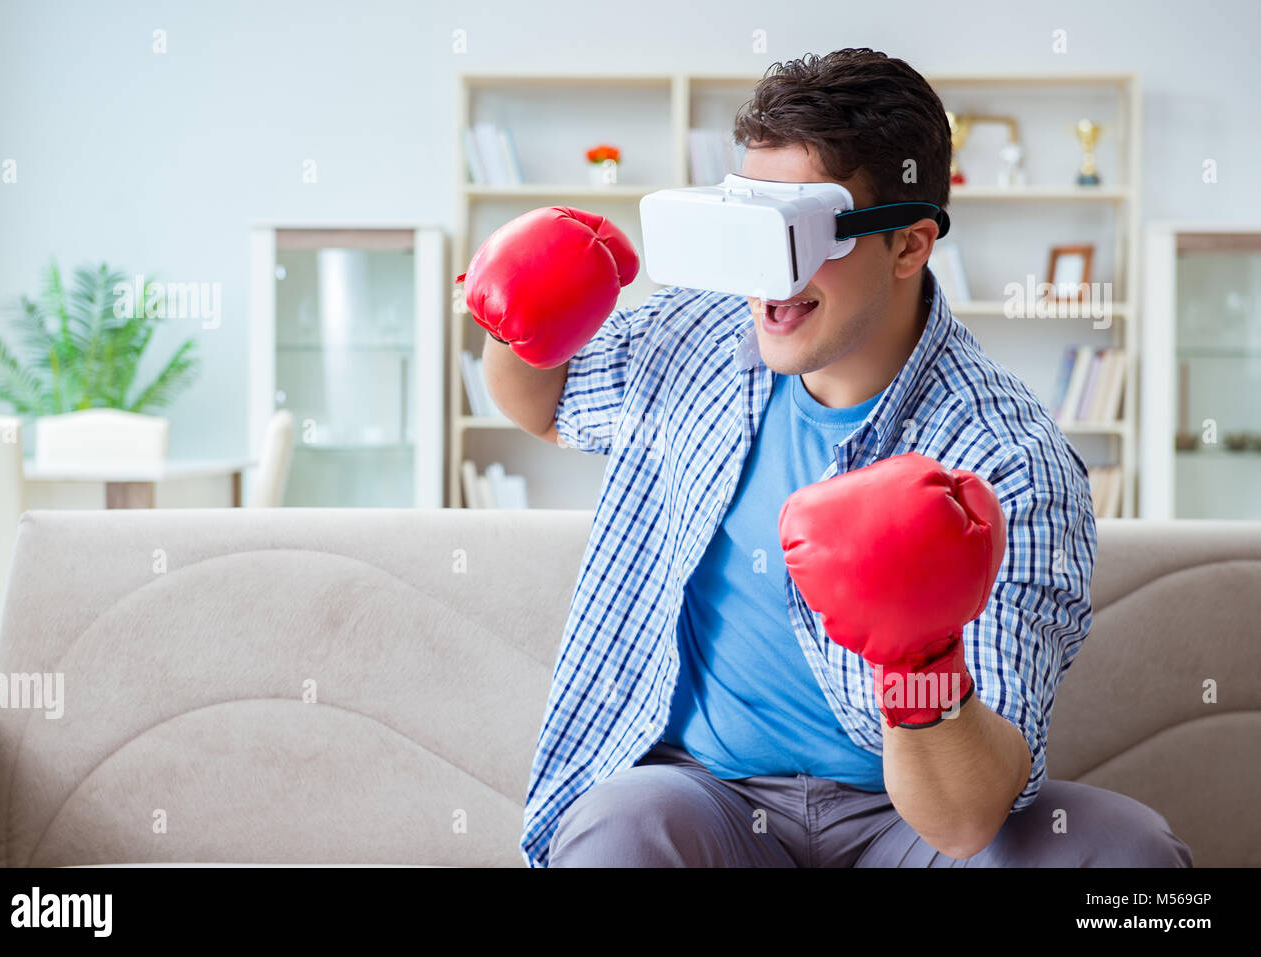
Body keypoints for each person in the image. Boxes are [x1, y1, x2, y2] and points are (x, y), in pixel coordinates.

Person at [466, 48, 1192, 868]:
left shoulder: (1008, 456)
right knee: (618, 827)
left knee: (1129, 856)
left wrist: (921, 660)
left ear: (910, 245)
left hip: (907, 819)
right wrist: (518, 325)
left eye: (796, 235)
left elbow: (962, 822)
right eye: (750, 231)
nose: (767, 280)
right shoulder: (696, 334)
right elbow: (546, 406)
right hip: (709, 795)